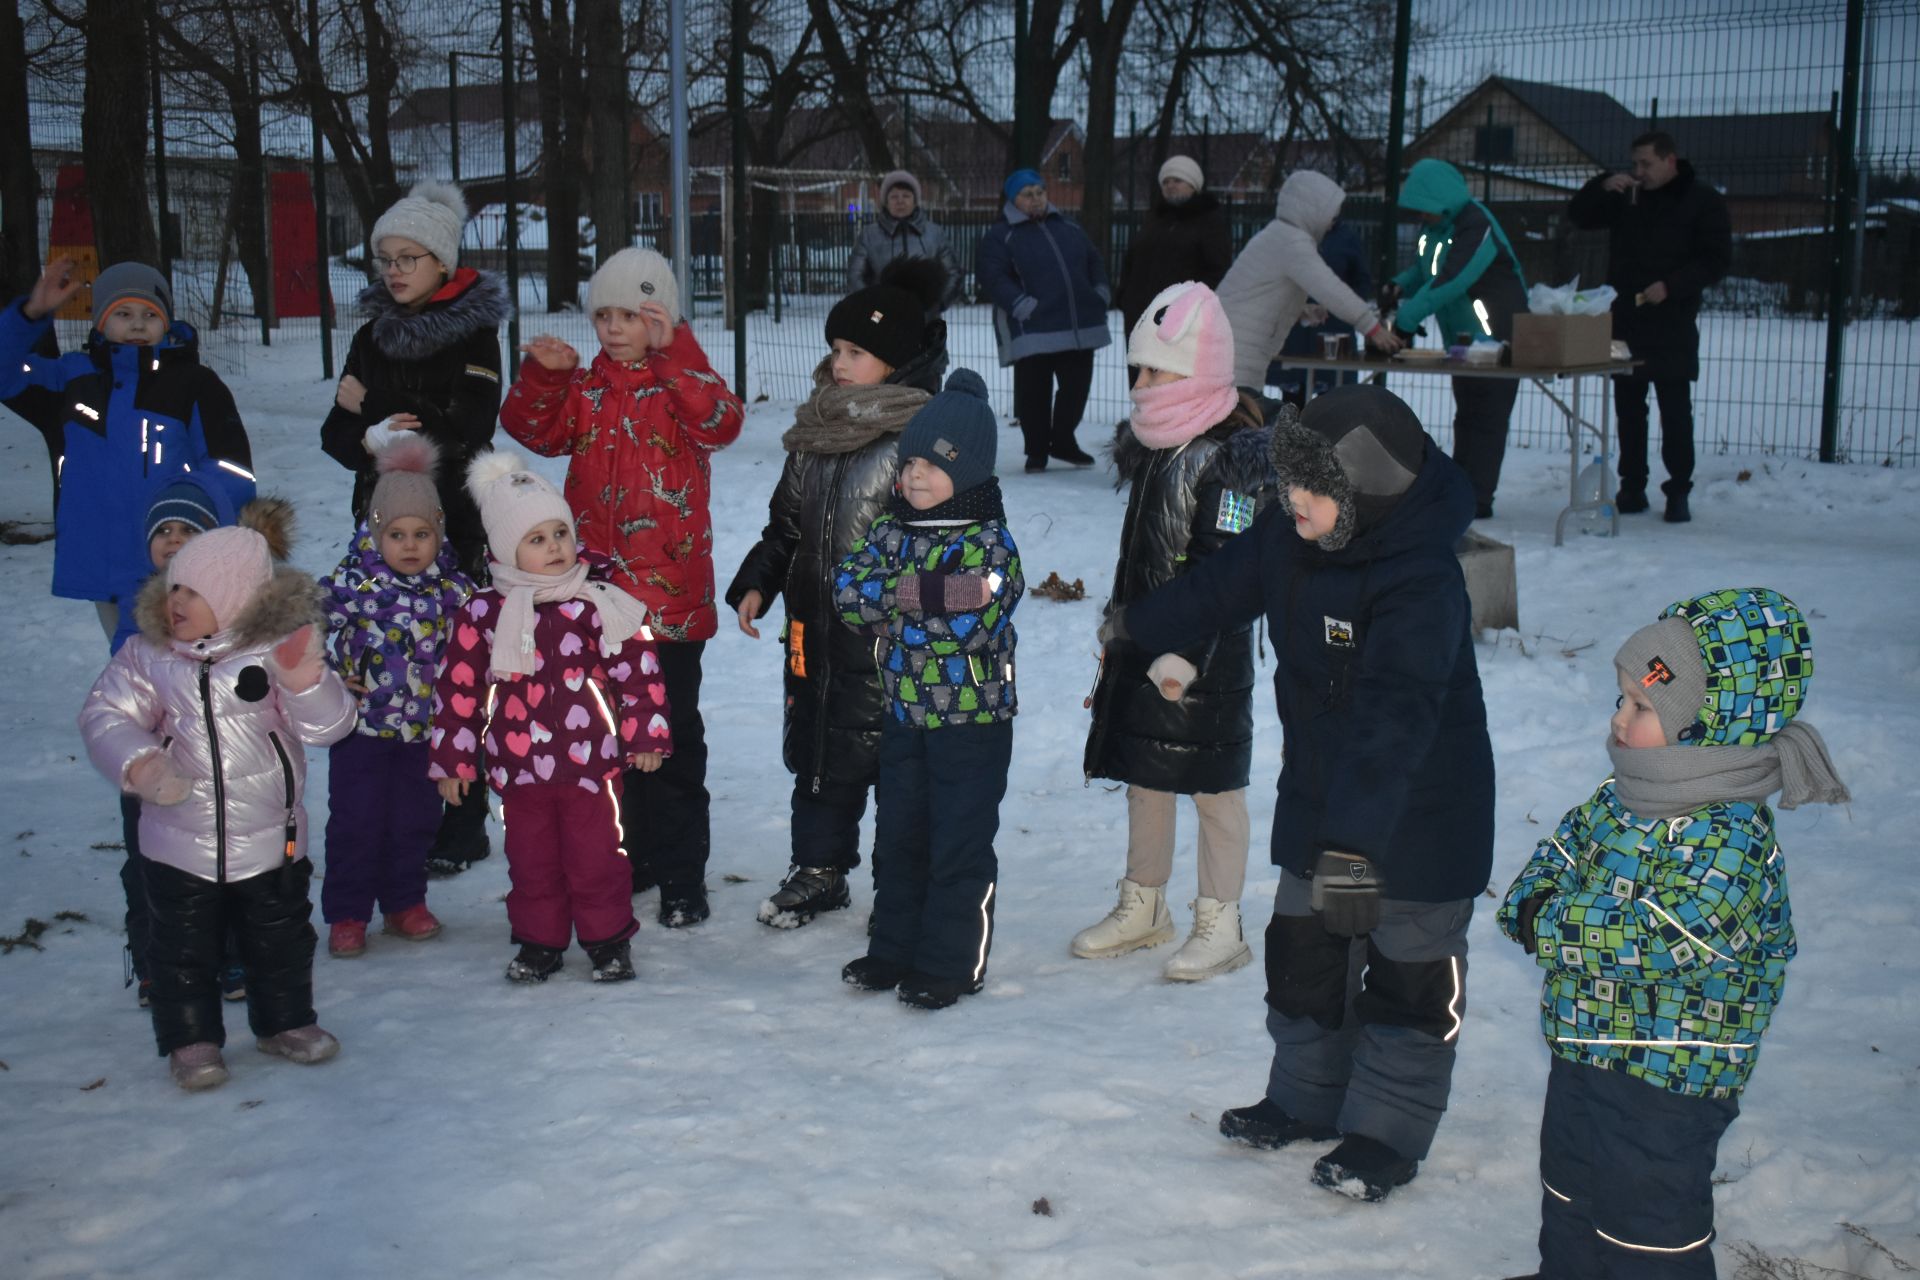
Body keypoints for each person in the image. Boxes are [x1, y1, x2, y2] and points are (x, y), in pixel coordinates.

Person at [1099, 383, 1493, 1202]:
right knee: (1304, 956)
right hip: (1324, 798)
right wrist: (1142, 627)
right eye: (1286, 482)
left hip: (1418, 820)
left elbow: (1396, 724)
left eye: (1312, 486)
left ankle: (1384, 1132)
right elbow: (1219, 586)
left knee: (1406, 978)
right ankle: (1306, 1098)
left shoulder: (1421, 583)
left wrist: (1356, 850)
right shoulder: (1291, 533)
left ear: (1368, 490)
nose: (1290, 500)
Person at [1496, 588, 1848, 1279]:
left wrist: (1555, 924)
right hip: (1586, 1043)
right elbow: (1557, 857)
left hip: (1669, 1073)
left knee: (1647, 1224)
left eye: (1641, 706)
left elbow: (1668, 937)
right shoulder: (1620, 795)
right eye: (1621, 698)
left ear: (1706, 725)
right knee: (1570, 1184)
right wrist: (1531, 902)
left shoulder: (1731, 837)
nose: (1618, 718)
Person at [499, 247, 745, 927]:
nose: (611, 327)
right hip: (593, 603)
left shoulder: (684, 382)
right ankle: (629, 857)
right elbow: (532, 431)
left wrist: (677, 354)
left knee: (666, 740)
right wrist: (543, 378)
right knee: (608, 736)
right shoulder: (587, 386)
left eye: (629, 315)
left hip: (670, 606)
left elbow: (723, 423)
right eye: (602, 315)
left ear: (659, 317)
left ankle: (681, 875)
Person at [78, 522, 358, 1091]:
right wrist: (142, 764)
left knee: (280, 940)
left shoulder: (275, 652)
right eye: (174, 587)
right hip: (176, 838)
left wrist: (305, 680)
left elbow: (330, 727)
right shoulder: (147, 655)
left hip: (269, 836)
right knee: (182, 949)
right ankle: (191, 1040)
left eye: (192, 592)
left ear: (233, 599)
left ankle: (285, 1023)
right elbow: (105, 714)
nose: (174, 602)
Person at [727, 259, 950, 928]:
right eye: (836, 350)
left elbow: (946, 554)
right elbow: (786, 526)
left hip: (891, 644)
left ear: (897, 361)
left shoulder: (922, 441)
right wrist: (757, 581)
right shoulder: (817, 435)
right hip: (815, 634)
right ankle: (819, 869)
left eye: (856, 351)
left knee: (894, 762)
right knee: (821, 754)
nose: (840, 362)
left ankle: (901, 880)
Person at [1076, 281, 1273, 981]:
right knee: (1146, 776)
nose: (1142, 383)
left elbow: (1229, 574)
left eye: (1159, 369)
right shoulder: (1159, 446)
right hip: (1145, 644)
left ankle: (1220, 921)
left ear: (1203, 369)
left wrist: (1183, 657)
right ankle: (1144, 902)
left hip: (1204, 661)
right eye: (1138, 369)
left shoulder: (1230, 461)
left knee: (1216, 792)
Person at [319, 181, 511, 876]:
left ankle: (460, 824)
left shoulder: (475, 331)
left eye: (409, 258)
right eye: (386, 259)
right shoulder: (371, 335)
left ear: (441, 261)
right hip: (378, 529)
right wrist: (365, 431)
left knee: (452, 675)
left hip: (451, 529)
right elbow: (334, 434)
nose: (395, 271)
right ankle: (399, 812)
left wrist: (379, 408)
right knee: (384, 672)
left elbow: (467, 427)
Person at [429, 451, 671, 984]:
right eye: (536, 539)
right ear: (504, 548)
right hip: (518, 769)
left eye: (560, 533)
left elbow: (639, 670)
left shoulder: (596, 603)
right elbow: (458, 691)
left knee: (598, 857)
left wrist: (645, 734)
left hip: (591, 766)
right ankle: (539, 941)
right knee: (531, 861)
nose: (555, 547)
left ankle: (608, 941)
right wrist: (454, 761)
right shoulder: (483, 613)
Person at [833, 369, 1024, 1010]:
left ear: (967, 470)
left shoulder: (990, 542)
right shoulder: (891, 531)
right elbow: (849, 592)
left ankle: (949, 963)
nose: (913, 476)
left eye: (932, 464)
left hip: (973, 722)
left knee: (958, 842)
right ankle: (894, 948)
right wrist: (917, 599)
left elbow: (970, 616)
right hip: (905, 716)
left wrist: (897, 600)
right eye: (908, 461)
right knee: (901, 835)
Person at [0, 258, 255, 641]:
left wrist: (194, 530)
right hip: (102, 560)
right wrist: (30, 314)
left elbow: (231, 469)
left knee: (177, 673)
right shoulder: (70, 379)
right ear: (101, 321)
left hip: (171, 566)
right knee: (129, 672)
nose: (137, 324)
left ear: (166, 322)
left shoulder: (194, 384)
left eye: (149, 314)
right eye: (122, 313)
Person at [109, 479, 278, 1008]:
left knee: (224, 869)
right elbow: (119, 698)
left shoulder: (240, 625)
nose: (174, 540)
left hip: (223, 772)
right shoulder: (140, 620)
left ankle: (229, 959)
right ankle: (156, 965)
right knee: (149, 873)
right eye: (164, 531)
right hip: (157, 773)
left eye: (189, 532)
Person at [316, 437, 475, 958]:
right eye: (397, 534)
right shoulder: (350, 584)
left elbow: (478, 641)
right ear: (375, 532)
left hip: (423, 731)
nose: (410, 545)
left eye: (422, 534)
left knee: (415, 821)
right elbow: (307, 635)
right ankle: (348, 912)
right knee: (357, 823)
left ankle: (405, 902)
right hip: (360, 730)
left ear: (439, 534)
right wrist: (335, 670)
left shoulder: (452, 590)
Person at [1567, 131, 1732, 524]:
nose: (1639, 172)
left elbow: (1717, 259)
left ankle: (1678, 490)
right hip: (1626, 318)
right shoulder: (1628, 198)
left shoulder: (1701, 200)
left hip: (1672, 321)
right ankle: (1632, 486)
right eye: (1635, 164)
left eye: (1647, 164)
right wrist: (1601, 185)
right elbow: (1580, 216)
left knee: (1674, 409)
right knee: (1628, 408)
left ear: (1670, 160)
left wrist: (1673, 286)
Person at [1384, 158, 1529, 519]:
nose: (1421, 217)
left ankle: (1479, 498)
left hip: (1497, 339)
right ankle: (1463, 490)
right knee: (1466, 415)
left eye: (1424, 209)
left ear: (1441, 201)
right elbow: (1425, 270)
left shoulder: (1476, 227)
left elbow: (1452, 278)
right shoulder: (1435, 230)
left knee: (1487, 418)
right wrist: (1397, 286)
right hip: (1464, 342)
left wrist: (1405, 319)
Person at [1217, 170, 1402, 395]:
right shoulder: (1292, 241)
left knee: (1241, 417)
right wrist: (1371, 326)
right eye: (1330, 216)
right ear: (1313, 212)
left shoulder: (1278, 235)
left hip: (1234, 348)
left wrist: (1302, 311)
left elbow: (1260, 296)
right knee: (1236, 419)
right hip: (1235, 352)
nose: (1330, 224)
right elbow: (1330, 289)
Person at [976, 169, 1112, 472]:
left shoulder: (1069, 227)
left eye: (1039, 192)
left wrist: (1100, 292)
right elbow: (992, 276)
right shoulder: (1002, 235)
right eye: (1027, 194)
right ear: (1013, 199)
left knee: (1076, 388)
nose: (1035, 199)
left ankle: (1063, 440)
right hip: (1033, 325)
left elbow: (1094, 260)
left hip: (1079, 324)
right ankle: (1036, 450)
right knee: (1033, 393)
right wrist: (1021, 304)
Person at [1114, 156, 1233, 345]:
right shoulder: (1154, 220)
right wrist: (1125, 298)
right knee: (1142, 375)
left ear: (1193, 185)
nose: (1170, 186)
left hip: (1183, 325)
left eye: (1177, 180)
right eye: (1166, 182)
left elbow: (1218, 270)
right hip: (1141, 321)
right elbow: (1131, 260)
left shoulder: (1208, 223)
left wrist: (1187, 305)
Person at [1268, 217, 1373, 405]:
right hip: (1296, 337)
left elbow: (1362, 283)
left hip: (1335, 334)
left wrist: (1341, 304)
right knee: (1293, 407)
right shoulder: (1291, 235)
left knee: (1334, 408)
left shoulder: (1347, 239)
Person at [846, 171, 963, 311]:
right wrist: (874, 307)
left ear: (915, 200)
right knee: (877, 331)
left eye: (906, 196)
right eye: (894, 196)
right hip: (880, 314)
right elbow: (855, 275)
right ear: (886, 202)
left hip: (925, 315)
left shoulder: (935, 233)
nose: (900, 201)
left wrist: (938, 305)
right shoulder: (868, 235)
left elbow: (953, 272)